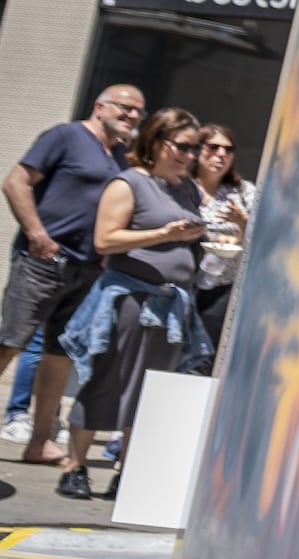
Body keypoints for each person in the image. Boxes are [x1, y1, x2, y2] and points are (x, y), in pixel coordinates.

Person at [56, 107, 211, 499]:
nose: (190, 155)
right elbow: (105, 241)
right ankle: (76, 466)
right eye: (183, 146)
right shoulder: (128, 184)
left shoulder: (185, 187)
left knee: (149, 393)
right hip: (128, 300)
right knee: (106, 381)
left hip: (170, 308)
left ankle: (128, 472)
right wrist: (162, 234)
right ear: (157, 142)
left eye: (194, 149)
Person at [3, 84, 142, 472]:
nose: (132, 116)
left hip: (86, 269)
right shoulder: (64, 136)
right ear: (100, 106)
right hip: (43, 262)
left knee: (60, 353)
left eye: (137, 113)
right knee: (10, 342)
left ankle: (40, 442)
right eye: (126, 108)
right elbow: (15, 182)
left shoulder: (118, 156)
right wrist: (37, 234)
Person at [190, 125, 255, 349]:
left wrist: (242, 223)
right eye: (213, 147)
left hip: (221, 285)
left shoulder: (243, 192)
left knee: (203, 351)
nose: (221, 155)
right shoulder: (182, 186)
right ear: (197, 149)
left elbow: (264, 240)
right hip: (179, 280)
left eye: (228, 150)